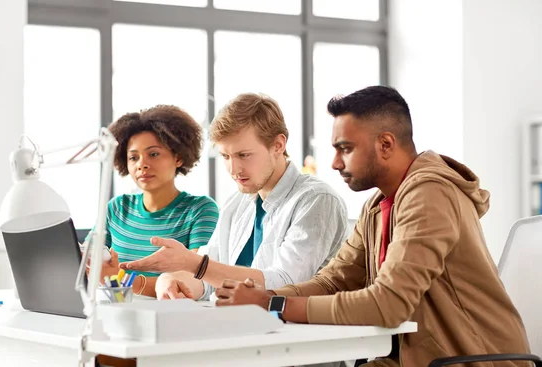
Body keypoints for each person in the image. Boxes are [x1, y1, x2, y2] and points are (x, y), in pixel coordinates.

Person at [213, 86, 530, 367]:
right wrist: (261, 297)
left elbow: (386, 304)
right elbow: (333, 281)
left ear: (386, 144)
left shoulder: (430, 194)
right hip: (414, 356)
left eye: (346, 148)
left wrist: (272, 303)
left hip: (471, 359)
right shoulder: (378, 206)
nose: (336, 162)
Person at [119, 93, 348, 302]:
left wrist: (194, 265)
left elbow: (285, 283)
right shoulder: (237, 203)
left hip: (293, 336)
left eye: (243, 155)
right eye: (225, 156)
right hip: (237, 328)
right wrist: (172, 280)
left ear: (278, 145)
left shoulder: (316, 200)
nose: (233, 168)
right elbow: (207, 279)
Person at [96, 105, 219, 298]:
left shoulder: (200, 210)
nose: (141, 164)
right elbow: (90, 264)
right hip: (119, 310)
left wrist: (121, 280)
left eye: (153, 154)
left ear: (178, 157)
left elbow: (198, 279)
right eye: (133, 157)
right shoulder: (117, 208)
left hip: (171, 316)